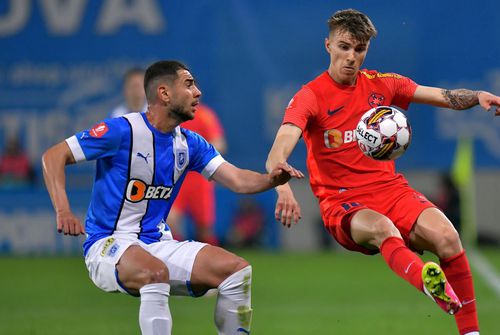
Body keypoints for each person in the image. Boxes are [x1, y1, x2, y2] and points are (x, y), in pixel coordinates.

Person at [265, 9, 500, 335]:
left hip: (390, 189)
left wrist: (477, 97)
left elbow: (439, 95)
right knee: (382, 228)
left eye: (359, 49)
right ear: (328, 46)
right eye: (344, 47)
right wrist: (282, 184)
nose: (351, 57)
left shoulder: (383, 85)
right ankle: (426, 280)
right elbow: (281, 145)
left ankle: (471, 333)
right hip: (342, 202)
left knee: (447, 236)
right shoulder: (311, 96)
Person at [42, 60, 303, 335]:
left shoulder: (190, 143)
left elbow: (237, 179)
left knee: (237, 272)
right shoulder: (123, 130)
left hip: (157, 242)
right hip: (108, 244)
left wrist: (271, 180)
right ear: (164, 93)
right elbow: (54, 155)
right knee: (155, 274)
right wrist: (63, 210)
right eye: (189, 84)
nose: (198, 92)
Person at [168, 103, 227, 245]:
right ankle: (177, 260)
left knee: (204, 228)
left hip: (200, 179)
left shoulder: (204, 115)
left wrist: (197, 153)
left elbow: (220, 144)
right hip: (175, 178)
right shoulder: (170, 116)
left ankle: (212, 262)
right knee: (171, 221)